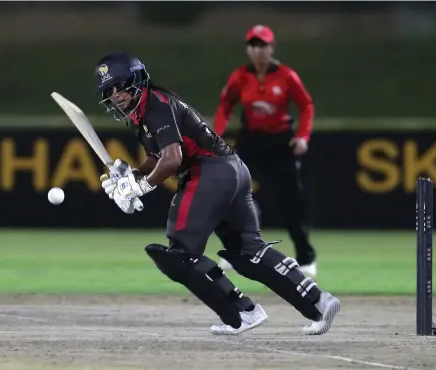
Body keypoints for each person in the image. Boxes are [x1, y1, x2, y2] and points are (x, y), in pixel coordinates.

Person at [95, 51, 340, 336]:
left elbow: (172, 160)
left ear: (137, 80)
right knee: (249, 252)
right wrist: (131, 175)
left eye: (120, 85)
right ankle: (319, 301)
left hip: (208, 172)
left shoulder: (155, 106)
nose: (116, 95)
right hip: (232, 170)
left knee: (180, 255)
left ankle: (242, 312)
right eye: (109, 91)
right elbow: (158, 158)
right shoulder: (148, 110)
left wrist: (139, 187)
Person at [213, 25, 317, 277]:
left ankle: (306, 257)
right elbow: (225, 107)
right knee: (234, 194)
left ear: (271, 48)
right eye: (254, 45)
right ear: (248, 49)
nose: (258, 50)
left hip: (281, 143)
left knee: (291, 202)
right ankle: (235, 250)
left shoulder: (286, 76)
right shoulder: (240, 77)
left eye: (263, 45)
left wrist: (302, 137)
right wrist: (213, 138)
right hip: (251, 140)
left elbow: (306, 106)